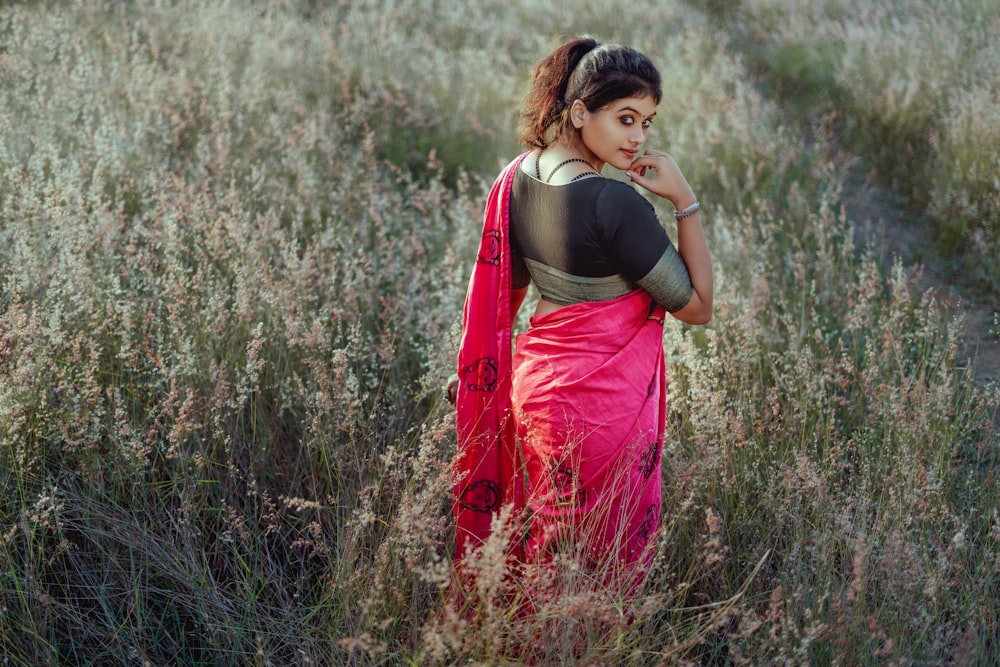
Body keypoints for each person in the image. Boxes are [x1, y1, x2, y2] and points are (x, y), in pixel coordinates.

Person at [450, 36, 713, 599]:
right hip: (599, 410)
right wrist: (685, 203)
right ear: (578, 112)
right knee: (596, 571)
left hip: (538, 392)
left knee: (546, 547)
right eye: (625, 118)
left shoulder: (518, 177)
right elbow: (697, 307)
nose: (639, 137)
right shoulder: (612, 203)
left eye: (647, 121)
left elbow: (510, 292)